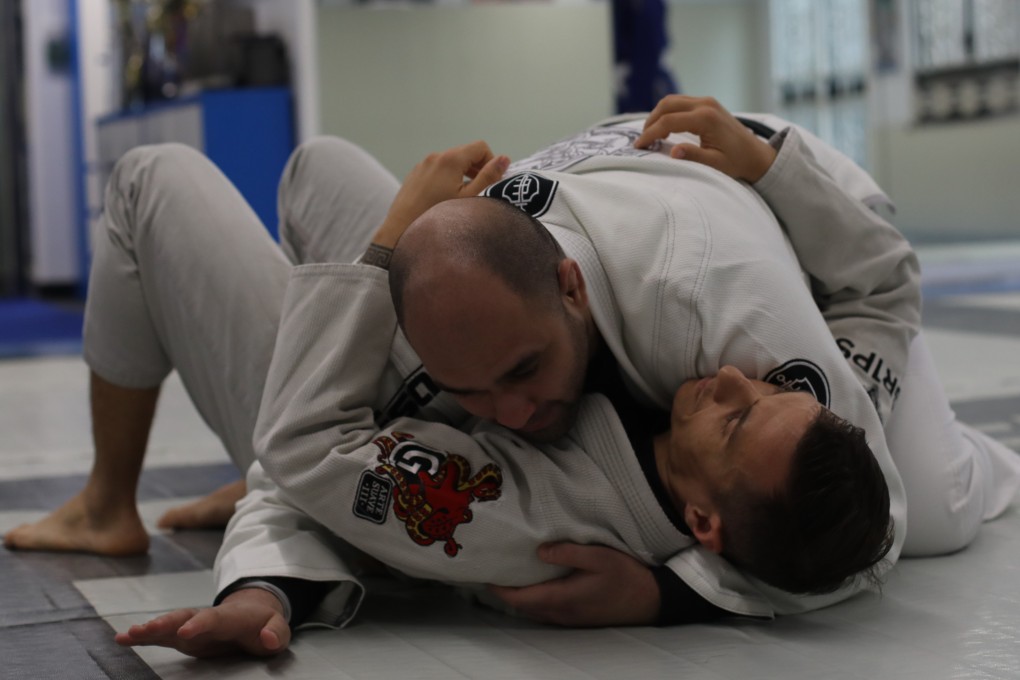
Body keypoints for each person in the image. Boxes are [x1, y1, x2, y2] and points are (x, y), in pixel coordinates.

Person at [109, 98, 1016, 656]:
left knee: (924, 511)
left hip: (716, 202)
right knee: (319, 164)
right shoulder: (756, 356)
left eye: (523, 372)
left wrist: (667, 595)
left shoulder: (565, 500)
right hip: (648, 194)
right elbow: (309, 452)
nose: (737, 384)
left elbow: (308, 449)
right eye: (479, 387)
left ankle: (103, 505)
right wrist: (393, 245)